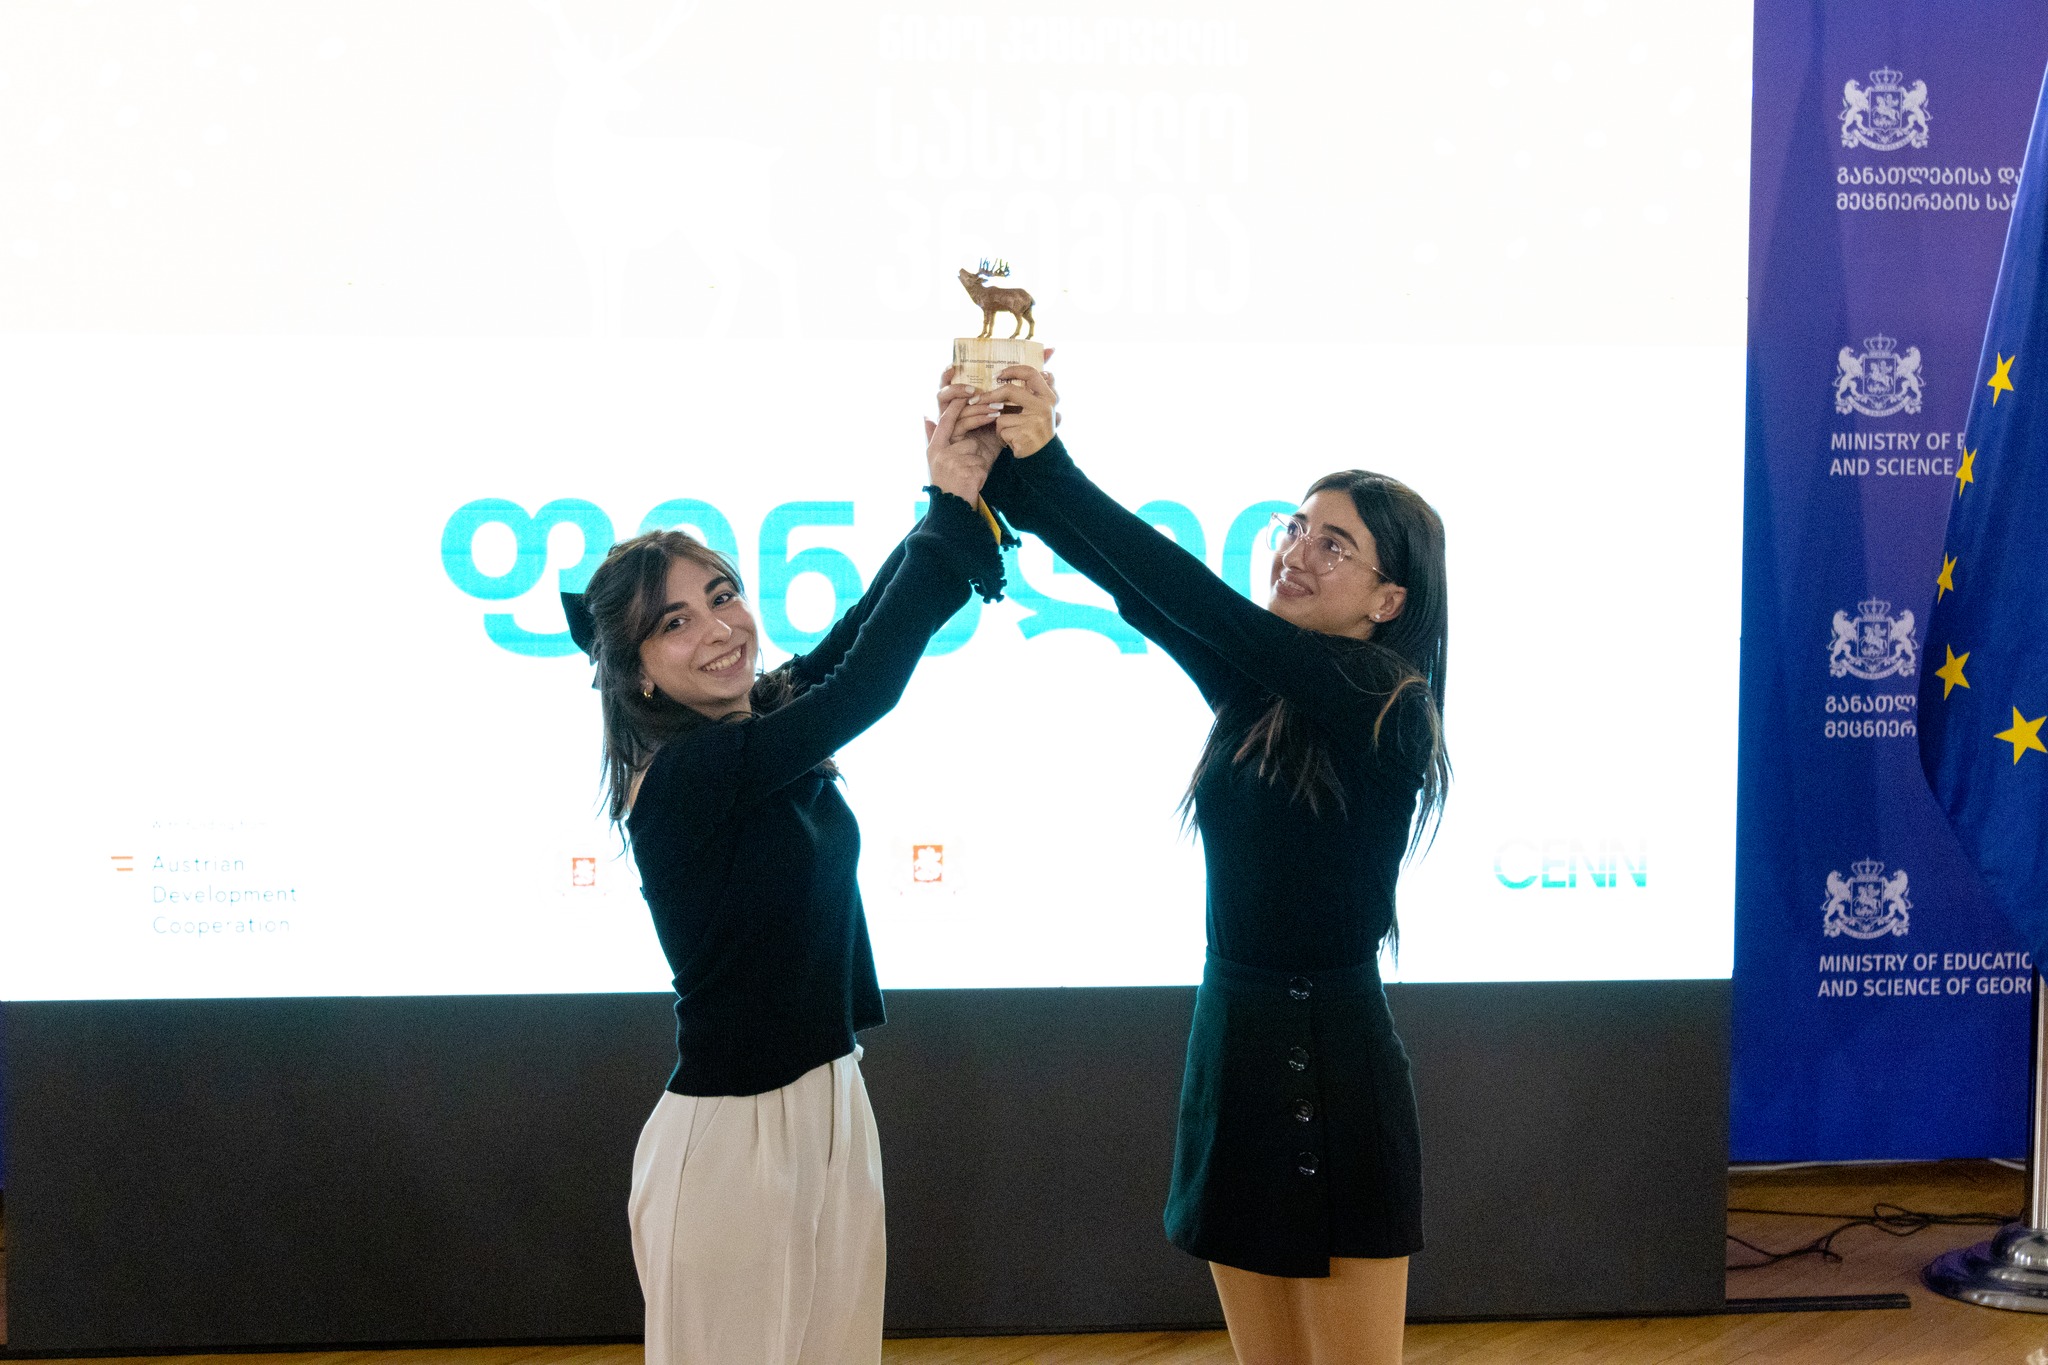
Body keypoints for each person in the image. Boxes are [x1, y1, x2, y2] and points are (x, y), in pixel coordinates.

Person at [946, 363, 1449, 1365]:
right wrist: (1007, 473)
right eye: (1297, 528)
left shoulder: (1386, 702)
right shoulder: (1263, 693)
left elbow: (1194, 598)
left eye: (1334, 544)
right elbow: (1142, 591)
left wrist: (1051, 464)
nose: (1296, 551)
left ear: (1389, 599)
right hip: (1235, 1051)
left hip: (1334, 1064)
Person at [560, 398, 1006, 1365]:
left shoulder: (751, 726)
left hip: (833, 1100)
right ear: (639, 674)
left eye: (722, 595)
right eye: (675, 623)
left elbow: (855, 636)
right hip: (732, 1141)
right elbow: (866, 686)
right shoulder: (684, 775)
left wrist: (954, 493)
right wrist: (949, 508)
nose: (720, 628)